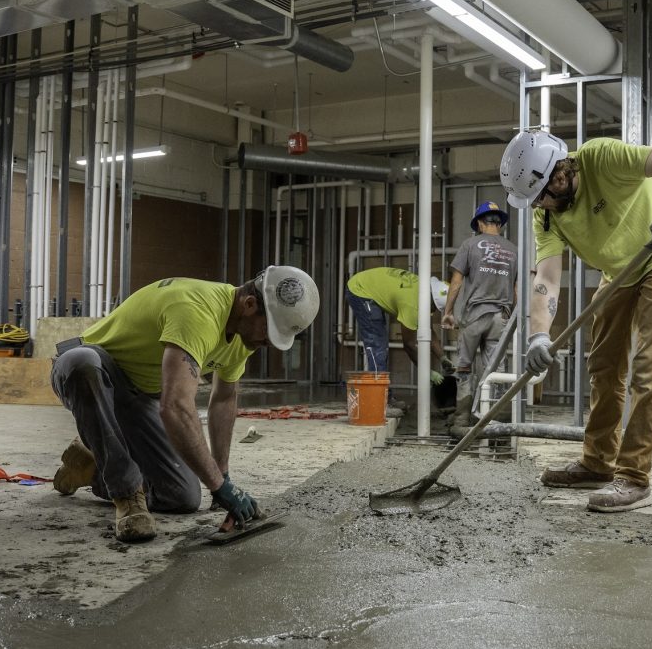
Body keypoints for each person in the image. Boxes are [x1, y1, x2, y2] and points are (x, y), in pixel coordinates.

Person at [49, 266, 320, 543]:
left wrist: (222, 475)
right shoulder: (198, 311)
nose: (269, 343)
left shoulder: (242, 336)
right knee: (83, 365)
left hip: (139, 394)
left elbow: (224, 398)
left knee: (181, 496)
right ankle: (126, 495)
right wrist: (218, 486)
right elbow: (176, 407)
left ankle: (90, 466)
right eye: (269, 331)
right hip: (91, 370)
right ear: (249, 304)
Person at [500, 131, 652, 513]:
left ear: (558, 175)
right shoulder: (546, 216)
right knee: (604, 365)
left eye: (541, 195)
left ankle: (634, 477)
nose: (539, 205)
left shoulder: (600, 157)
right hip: (618, 270)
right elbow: (548, 279)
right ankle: (597, 463)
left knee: (650, 367)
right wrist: (539, 336)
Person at [441, 200, 517, 428]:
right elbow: (517, 289)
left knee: (464, 366)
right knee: (495, 370)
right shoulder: (514, 250)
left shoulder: (470, 245)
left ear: (480, 224)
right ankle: (490, 421)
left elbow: (456, 282)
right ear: (499, 225)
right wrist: (516, 319)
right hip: (500, 318)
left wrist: (447, 312)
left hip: (474, 315)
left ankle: (462, 419)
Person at [345, 266, 453, 409]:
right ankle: (380, 402)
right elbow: (408, 344)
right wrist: (427, 372)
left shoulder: (424, 292)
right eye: (435, 309)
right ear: (432, 303)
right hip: (360, 290)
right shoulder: (412, 304)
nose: (434, 312)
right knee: (377, 344)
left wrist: (442, 358)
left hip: (370, 284)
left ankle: (384, 396)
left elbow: (428, 330)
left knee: (380, 342)